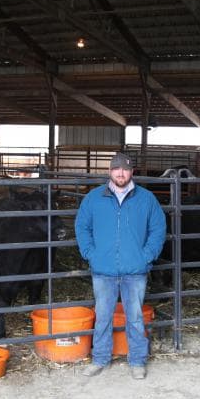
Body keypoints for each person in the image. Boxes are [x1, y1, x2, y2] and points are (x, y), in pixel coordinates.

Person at [74, 152, 166, 379]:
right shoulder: (94, 198)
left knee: (134, 317)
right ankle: (100, 359)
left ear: (131, 172)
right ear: (110, 171)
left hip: (135, 270)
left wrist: (147, 256)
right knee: (103, 316)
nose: (121, 173)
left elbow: (158, 229)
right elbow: (82, 227)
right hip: (103, 269)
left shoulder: (146, 199)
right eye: (116, 169)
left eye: (125, 169)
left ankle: (137, 361)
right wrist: (90, 254)